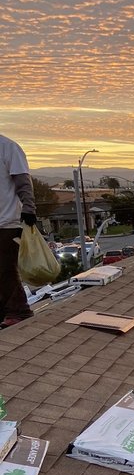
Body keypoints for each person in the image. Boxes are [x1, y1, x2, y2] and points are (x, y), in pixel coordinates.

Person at [0, 134, 37, 329]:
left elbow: (23, 182)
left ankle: (19, 311)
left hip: (7, 221)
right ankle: (5, 311)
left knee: (5, 269)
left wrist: (29, 209)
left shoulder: (8, 147)